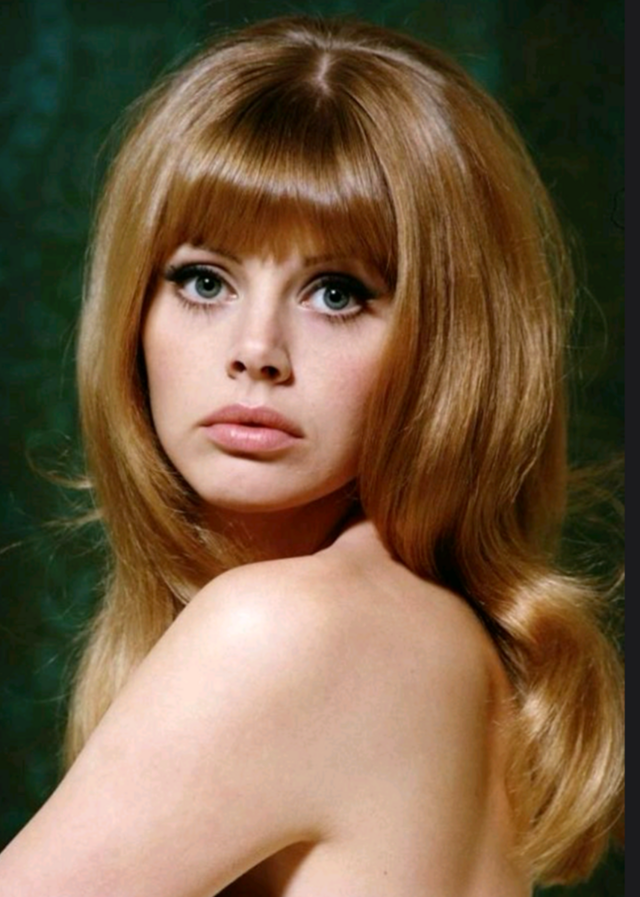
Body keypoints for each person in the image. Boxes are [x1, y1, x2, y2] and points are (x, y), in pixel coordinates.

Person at [0, 14, 623, 897]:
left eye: (337, 293)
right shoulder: (441, 636)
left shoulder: (286, 631)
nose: (257, 349)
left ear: (446, 341)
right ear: (134, 311)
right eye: (204, 280)